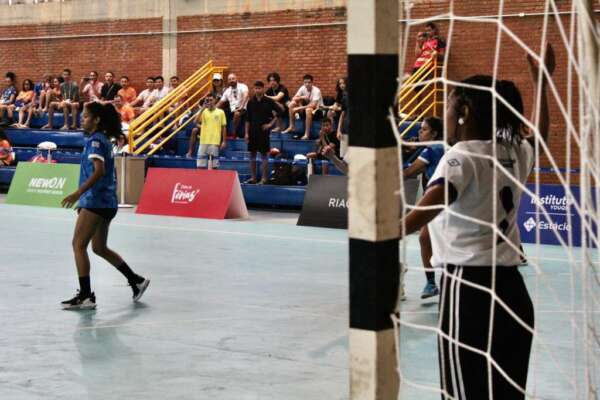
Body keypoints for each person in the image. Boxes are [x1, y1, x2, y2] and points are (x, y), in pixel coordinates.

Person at [398, 44, 554, 399]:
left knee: (462, 393)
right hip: (513, 292)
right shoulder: (515, 150)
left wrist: (377, 231)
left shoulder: (459, 157)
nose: (445, 115)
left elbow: (422, 214)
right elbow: (540, 137)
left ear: (465, 111)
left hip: (468, 292)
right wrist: (542, 82)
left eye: (449, 107)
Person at [60, 101, 150, 310]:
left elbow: (98, 171)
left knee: (78, 245)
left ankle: (85, 296)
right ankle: (136, 280)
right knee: (99, 247)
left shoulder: (96, 142)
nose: (82, 119)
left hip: (97, 201)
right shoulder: (101, 140)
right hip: (104, 202)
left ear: (96, 119)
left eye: (85, 116)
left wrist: (78, 194)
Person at [402, 117, 445, 298]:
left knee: (438, 242)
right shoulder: (437, 147)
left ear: (434, 133)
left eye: (424, 130)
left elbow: (408, 173)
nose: (419, 133)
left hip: (443, 201)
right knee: (424, 238)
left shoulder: (432, 150)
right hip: (435, 200)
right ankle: (430, 283)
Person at [244, 81, 281, 184]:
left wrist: (270, 125)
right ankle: (253, 178)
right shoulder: (251, 102)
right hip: (252, 132)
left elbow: (280, 111)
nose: (257, 90)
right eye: (256, 88)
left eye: (259, 88)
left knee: (264, 155)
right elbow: (247, 119)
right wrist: (246, 133)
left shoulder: (269, 101)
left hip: (263, 132)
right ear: (253, 89)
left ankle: (264, 178)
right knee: (252, 154)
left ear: (263, 89)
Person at [186, 93, 227, 168]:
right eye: (207, 100)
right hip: (203, 141)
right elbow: (195, 122)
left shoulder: (221, 112)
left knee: (214, 166)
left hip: (215, 141)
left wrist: (224, 141)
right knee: (200, 166)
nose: (209, 102)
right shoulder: (204, 112)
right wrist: (202, 108)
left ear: (215, 100)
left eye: (211, 100)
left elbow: (223, 127)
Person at [282, 74, 324, 139]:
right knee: (292, 104)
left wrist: (299, 108)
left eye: (309, 82)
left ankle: (306, 134)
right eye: (305, 82)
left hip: (318, 110)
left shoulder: (316, 91)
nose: (307, 84)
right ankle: (292, 126)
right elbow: (294, 98)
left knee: (308, 110)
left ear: (312, 83)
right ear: (303, 83)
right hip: (306, 108)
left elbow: (313, 105)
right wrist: (302, 97)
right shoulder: (302, 88)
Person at [218, 73, 249, 138]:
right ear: (228, 81)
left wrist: (241, 106)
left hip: (243, 109)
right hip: (232, 110)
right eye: (229, 79)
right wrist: (213, 109)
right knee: (219, 113)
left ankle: (234, 133)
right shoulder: (227, 91)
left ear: (236, 79)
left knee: (237, 114)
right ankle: (220, 135)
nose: (231, 80)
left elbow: (246, 95)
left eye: (233, 79)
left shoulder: (243, 86)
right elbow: (220, 102)